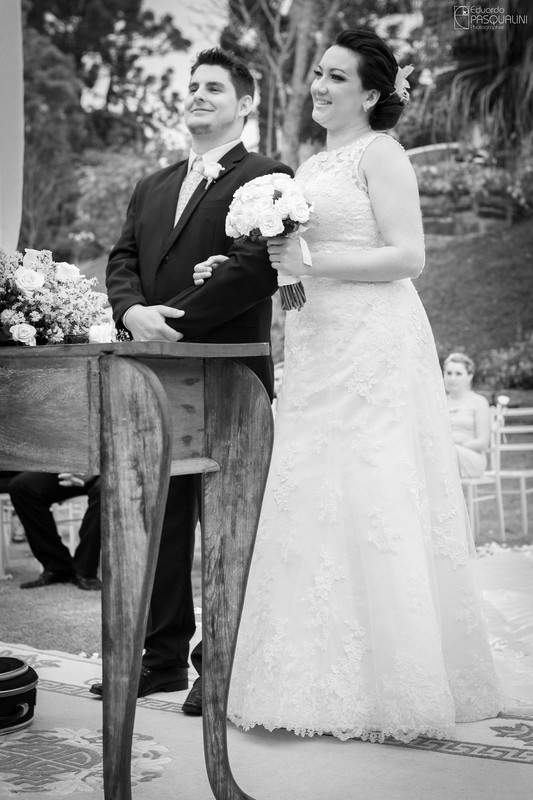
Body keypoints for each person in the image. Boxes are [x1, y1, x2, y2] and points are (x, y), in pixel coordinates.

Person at [197, 29, 503, 742]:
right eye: (319, 75)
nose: (320, 86)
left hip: (370, 342)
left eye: (337, 77)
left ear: (370, 93)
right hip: (314, 342)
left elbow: (408, 256)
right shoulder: (308, 164)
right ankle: (303, 678)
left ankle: (396, 681)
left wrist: (312, 260)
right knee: (309, 489)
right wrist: (251, 267)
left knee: (370, 491)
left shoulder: (382, 153)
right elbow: (294, 258)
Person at [93, 48, 292, 709]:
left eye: (214, 87)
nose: (198, 95)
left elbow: (255, 268)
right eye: (192, 86)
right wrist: (131, 311)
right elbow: (122, 258)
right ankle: (161, 659)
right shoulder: (152, 184)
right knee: (165, 516)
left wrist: (172, 320)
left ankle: (221, 667)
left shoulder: (267, 177)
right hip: (151, 374)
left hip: (228, 372)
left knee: (225, 520)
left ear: (244, 103)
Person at [8, 472, 101, 590]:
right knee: (20, 486)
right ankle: (57, 566)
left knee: (107, 487)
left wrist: (92, 472)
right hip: (66, 469)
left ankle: (85, 570)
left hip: (106, 470)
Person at [443, 352, 491, 478]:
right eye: (448, 373)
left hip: (470, 456)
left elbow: (483, 443)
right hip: (443, 454)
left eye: (458, 374)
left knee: (444, 452)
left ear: (469, 376)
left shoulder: (479, 402)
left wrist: (457, 443)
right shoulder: (440, 403)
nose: (452, 378)